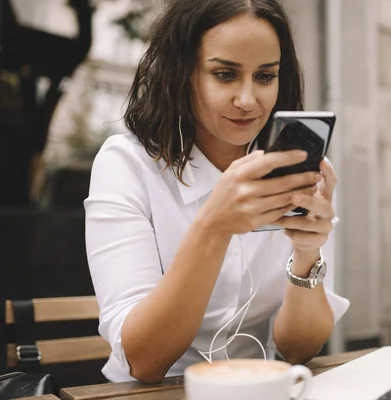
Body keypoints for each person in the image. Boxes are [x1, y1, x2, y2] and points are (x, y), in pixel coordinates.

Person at [84, 0, 349, 384]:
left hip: (263, 388)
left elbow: (298, 349)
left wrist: (307, 255)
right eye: (225, 75)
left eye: (265, 77)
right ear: (183, 73)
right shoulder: (126, 165)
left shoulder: (301, 176)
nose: (247, 100)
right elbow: (144, 361)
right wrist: (214, 226)